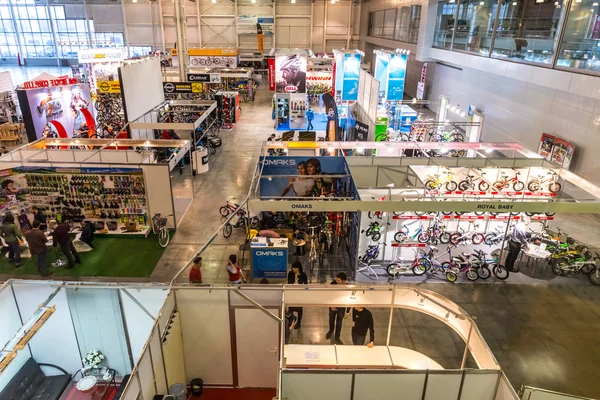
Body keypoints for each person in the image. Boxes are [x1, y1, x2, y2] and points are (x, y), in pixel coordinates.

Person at [326, 272, 349, 344]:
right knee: (331, 319)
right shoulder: (333, 284)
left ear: (343, 281)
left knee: (339, 323)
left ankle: (337, 337)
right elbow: (328, 295)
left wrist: (347, 311)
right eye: (336, 280)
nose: (336, 281)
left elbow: (349, 299)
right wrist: (331, 305)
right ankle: (331, 330)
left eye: (338, 280)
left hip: (341, 307)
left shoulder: (348, 287)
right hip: (333, 306)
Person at [287, 261, 308, 329]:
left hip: (300, 294)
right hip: (292, 293)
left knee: (299, 309)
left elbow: (306, 285)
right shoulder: (290, 273)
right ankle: (290, 321)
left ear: (299, 268)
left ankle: (299, 322)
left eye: (295, 268)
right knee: (290, 308)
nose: (294, 269)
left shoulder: (303, 274)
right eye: (293, 268)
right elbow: (289, 283)